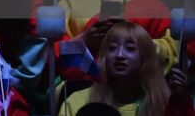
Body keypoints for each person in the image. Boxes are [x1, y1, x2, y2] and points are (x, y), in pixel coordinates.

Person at [58, 21, 190, 115]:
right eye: (112, 48)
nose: (119, 55)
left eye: (130, 49)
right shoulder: (76, 102)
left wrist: (181, 103)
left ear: (145, 57)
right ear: (104, 57)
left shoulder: (165, 103)